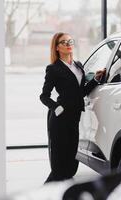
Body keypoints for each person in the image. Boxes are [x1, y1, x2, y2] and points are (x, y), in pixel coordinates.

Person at [40, 32, 105, 183]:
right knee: (58, 168)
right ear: (57, 48)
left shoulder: (78, 66)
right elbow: (44, 96)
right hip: (59, 119)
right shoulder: (53, 68)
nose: (68, 44)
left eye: (70, 41)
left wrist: (95, 79)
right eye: (64, 42)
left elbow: (80, 92)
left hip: (75, 118)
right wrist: (57, 108)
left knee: (70, 165)